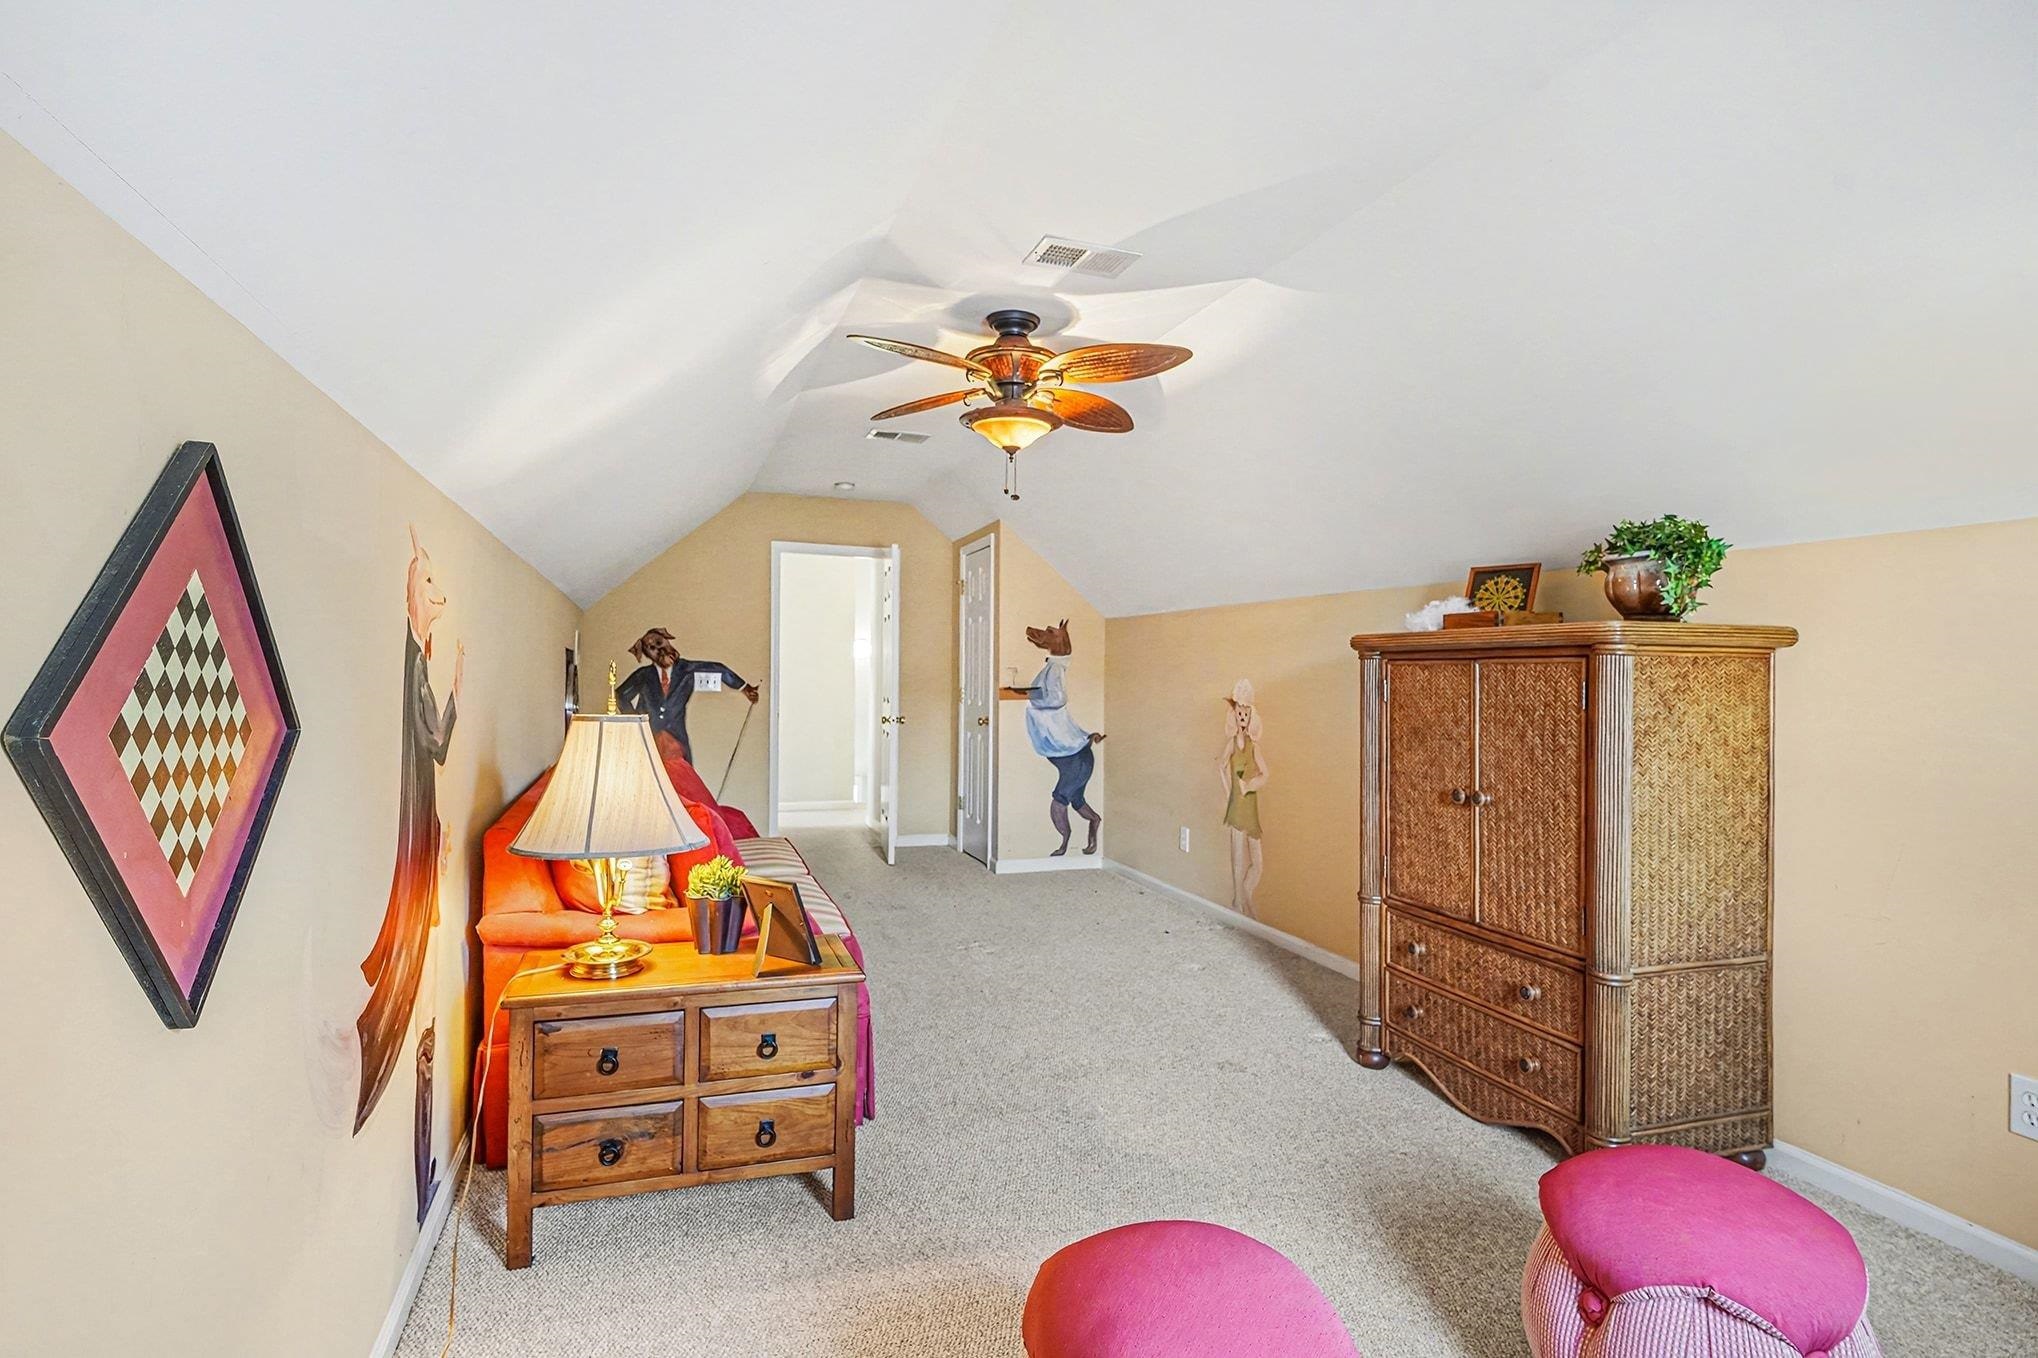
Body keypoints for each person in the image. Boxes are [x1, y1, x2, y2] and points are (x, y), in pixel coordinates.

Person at [356, 527, 461, 1135]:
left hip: (419, 801)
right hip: (415, 798)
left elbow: (435, 743)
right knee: (413, 908)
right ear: (409, 597)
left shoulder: (417, 652)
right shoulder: (411, 657)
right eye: (427, 584)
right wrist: (456, 697)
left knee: (419, 901)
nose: (438, 596)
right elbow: (438, 741)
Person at [1022, 619, 1106, 856]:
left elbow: (1057, 700)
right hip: (1068, 751)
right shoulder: (1053, 667)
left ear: (1059, 640)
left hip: (1072, 756)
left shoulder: (1056, 669)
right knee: (1076, 799)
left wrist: (1030, 696)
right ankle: (1093, 824)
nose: (1042, 633)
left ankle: (1063, 843)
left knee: (1060, 800)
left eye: (1049, 633)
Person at [615, 626, 759, 764]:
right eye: (651, 648)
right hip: (649, 740)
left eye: (660, 643)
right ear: (645, 654)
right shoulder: (643, 675)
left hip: (676, 741)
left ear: (667, 639)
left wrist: (745, 688)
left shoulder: (687, 670)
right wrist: (637, 723)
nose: (660, 649)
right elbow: (619, 695)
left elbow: (718, 669)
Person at [1218, 678, 1268, 918]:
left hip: (1250, 803)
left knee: (1257, 862)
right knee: (1237, 856)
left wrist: (1249, 785)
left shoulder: (1253, 746)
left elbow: (1265, 774)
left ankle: (1247, 892)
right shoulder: (1231, 744)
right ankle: (1238, 901)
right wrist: (1229, 793)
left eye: (1245, 714)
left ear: (1250, 717)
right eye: (1239, 713)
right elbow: (1220, 766)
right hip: (1237, 805)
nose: (1242, 718)